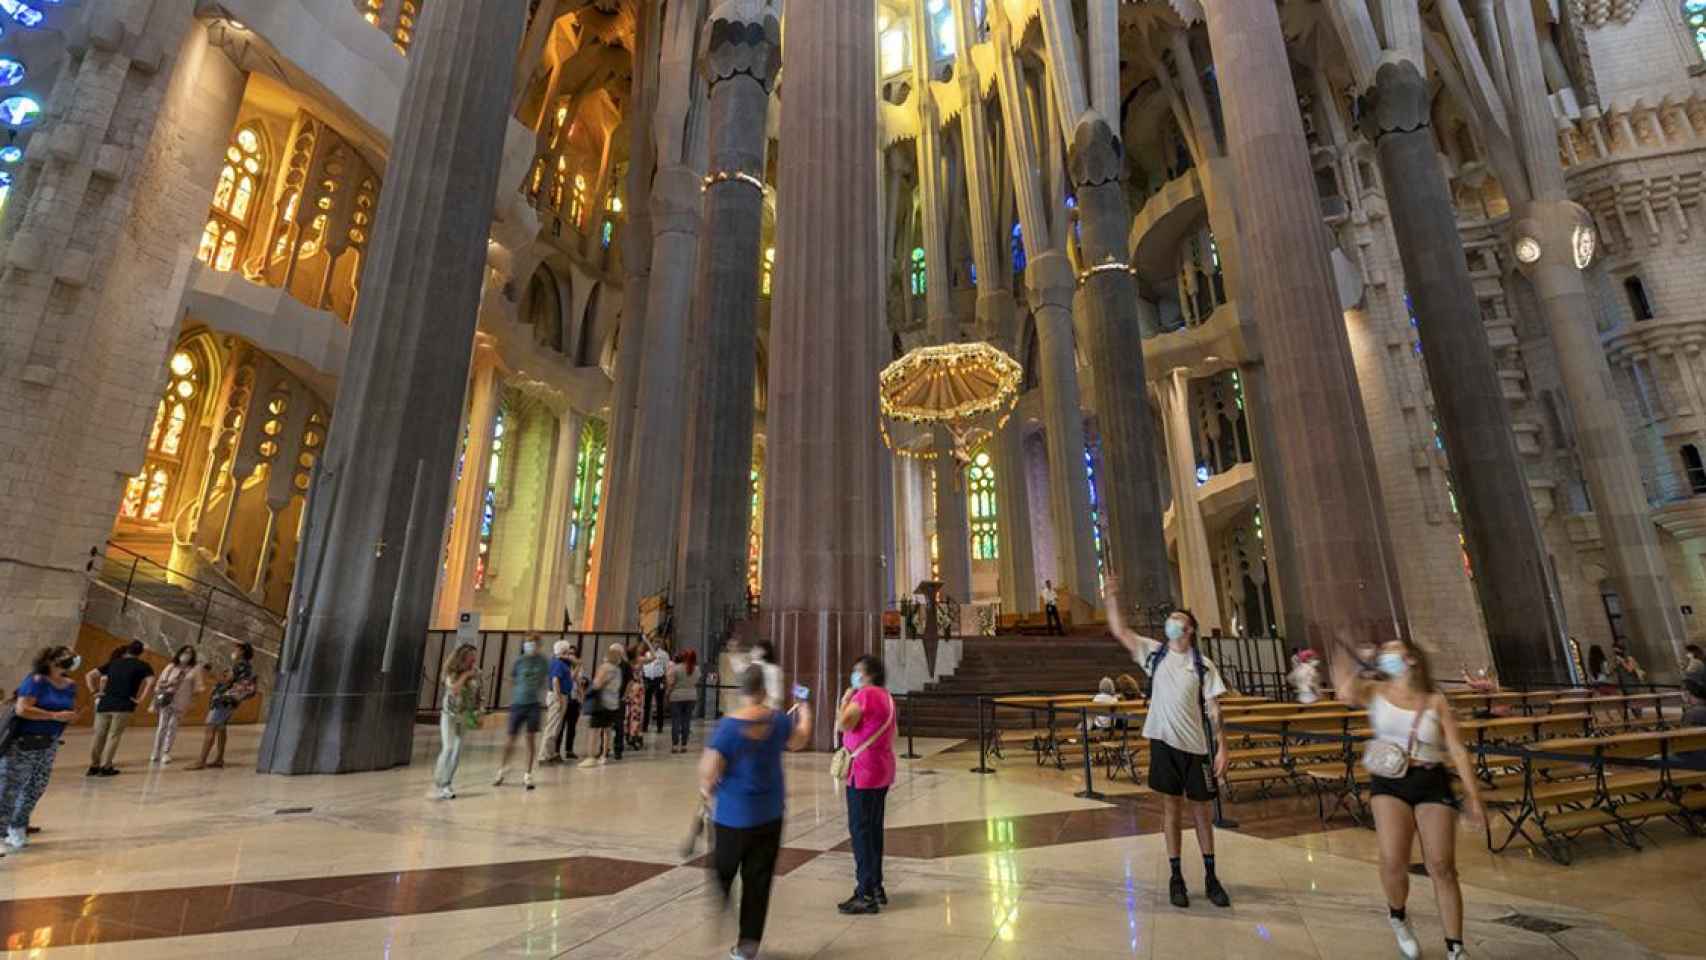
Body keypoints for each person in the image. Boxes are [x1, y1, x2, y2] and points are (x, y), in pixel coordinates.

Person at [1333, 638, 1484, 960]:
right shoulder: (1375, 691)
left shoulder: (1434, 700)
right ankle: (1398, 915)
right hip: (1389, 782)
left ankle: (1455, 947)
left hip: (1430, 779)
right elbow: (1344, 693)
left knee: (1442, 865)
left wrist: (1474, 796)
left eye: (1393, 649)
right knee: (1392, 859)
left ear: (1412, 659)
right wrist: (1359, 664)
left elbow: (1457, 749)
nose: (1388, 654)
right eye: (1385, 650)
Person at [1103, 577, 1232, 909]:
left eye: (1180, 621)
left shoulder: (1204, 666)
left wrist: (1222, 746)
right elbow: (1120, 631)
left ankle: (1210, 874)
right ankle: (1176, 876)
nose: (1173, 624)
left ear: (1190, 630)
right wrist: (1111, 596)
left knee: (1203, 812)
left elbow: (1214, 709)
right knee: (1171, 809)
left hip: (1197, 747)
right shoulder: (1154, 653)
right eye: (1171, 619)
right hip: (1164, 743)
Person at [699, 665, 814, 960]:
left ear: (741, 691)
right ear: (764, 690)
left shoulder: (727, 727)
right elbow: (799, 740)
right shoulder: (777, 721)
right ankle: (746, 946)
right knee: (758, 881)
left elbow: (710, 772)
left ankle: (723, 896)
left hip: (733, 817)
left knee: (725, 865)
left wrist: (707, 789)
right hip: (770, 815)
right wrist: (804, 709)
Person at [1, 646, 81, 849]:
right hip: (24, 742)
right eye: (68, 657)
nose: (73, 660)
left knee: (36, 786)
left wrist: (69, 717)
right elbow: (22, 709)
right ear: (51, 660)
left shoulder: (70, 685)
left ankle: (17, 826)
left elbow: (67, 709)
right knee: (10, 787)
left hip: (49, 742)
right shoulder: (36, 681)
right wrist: (53, 715)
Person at [837, 655, 896, 915]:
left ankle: (864, 893)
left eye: (856, 670)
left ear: (866, 673)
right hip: (881, 768)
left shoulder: (864, 695)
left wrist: (845, 701)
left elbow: (843, 723)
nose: (853, 674)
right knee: (873, 829)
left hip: (863, 772)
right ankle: (875, 886)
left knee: (860, 831)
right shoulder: (887, 696)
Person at [88, 640, 156, 777]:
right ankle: (106, 767)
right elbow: (151, 681)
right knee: (114, 736)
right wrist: (141, 699)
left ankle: (94, 766)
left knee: (99, 735)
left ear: (127, 650)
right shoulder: (143, 666)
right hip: (124, 704)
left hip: (105, 702)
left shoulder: (114, 662)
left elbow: (89, 675)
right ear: (140, 652)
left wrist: (94, 692)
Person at [189, 642, 257, 770]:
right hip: (232, 701)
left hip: (224, 701)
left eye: (237, 648)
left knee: (210, 727)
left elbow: (226, 680)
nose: (234, 651)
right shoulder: (248, 666)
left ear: (242, 651)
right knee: (221, 728)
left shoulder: (240, 665)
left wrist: (210, 673)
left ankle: (201, 761)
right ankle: (219, 759)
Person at [494, 634, 547, 789]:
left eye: (533, 643)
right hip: (518, 704)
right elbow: (511, 678)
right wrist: (517, 689)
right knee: (511, 739)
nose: (530, 646)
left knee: (530, 739)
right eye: (528, 643)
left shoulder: (543, 662)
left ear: (539, 645)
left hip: (533, 705)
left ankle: (528, 774)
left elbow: (544, 679)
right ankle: (502, 770)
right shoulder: (519, 661)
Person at [434, 643, 481, 799]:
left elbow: (479, 694)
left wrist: (479, 712)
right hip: (449, 715)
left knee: (457, 752)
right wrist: (466, 675)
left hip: (464, 716)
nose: (474, 659)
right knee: (448, 748)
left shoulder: (477, 673)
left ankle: (447, 784)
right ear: (463, 657)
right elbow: (454, 689)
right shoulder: (451, 672)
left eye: (475, 655)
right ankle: (439, 781)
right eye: (471, 655)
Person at [149, 645, 204, 764]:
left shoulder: (194, 670)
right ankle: (156, 751)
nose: (186, 655)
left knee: (172, 727)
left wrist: (193, 701)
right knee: (161, 727)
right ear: (179, 653)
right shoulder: (171, 666)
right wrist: (169, 683)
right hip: (167, 699)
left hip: (182, 702)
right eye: (184, 652)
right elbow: (160, 683)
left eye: (189, 653)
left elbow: (198, 687)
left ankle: (166, 752)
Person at [580, 644, 624, 768]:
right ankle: (604, 755)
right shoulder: (618, 670)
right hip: (613, 704)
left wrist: (587, 689)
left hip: (601, 704)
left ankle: (591, 757)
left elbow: (597, 685)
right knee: (607, 730)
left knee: (594, 730)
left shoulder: (605, 668)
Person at [540, 640, 581, 765]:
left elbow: (574, 671)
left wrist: (573, 662)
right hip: (558, 695)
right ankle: (543, 756)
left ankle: (551, 753)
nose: (570, 653)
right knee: (552, 727)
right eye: (568, 650)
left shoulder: (563, 663)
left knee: (557, 727)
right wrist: (558, 699)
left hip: (563, 695)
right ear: (564, 651)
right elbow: (555, 681)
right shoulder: (558, 663)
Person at [667, 649, 701, 753]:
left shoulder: (675, 669)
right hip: (691, 696)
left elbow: (671, 683)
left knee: (676, 721)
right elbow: (696, 681)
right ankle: (684, 745)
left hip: (676, 697)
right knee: (686, 721)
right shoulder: (697, 669)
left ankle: (675, 745)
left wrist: (667, 693)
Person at [642, 637, 670, 737]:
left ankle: (659, 726)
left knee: (659, 704)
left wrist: (666, 681)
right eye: (654, 642)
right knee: (646, 704)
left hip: (659, 679)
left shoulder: (664, 654)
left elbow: (667, 668)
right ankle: (644, 726)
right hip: (648, 679)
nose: (656, 644)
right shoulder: (647, 653)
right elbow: (644, 666)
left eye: (658, 642)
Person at [623, 645, 646, 752]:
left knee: (629, 712)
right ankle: (635, 735)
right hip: (638, 688)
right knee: (637, 713)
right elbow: (654, 657)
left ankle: (628, 733)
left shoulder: (626, 663)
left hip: (630, 687)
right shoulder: (640, 661)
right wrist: (646, 641)